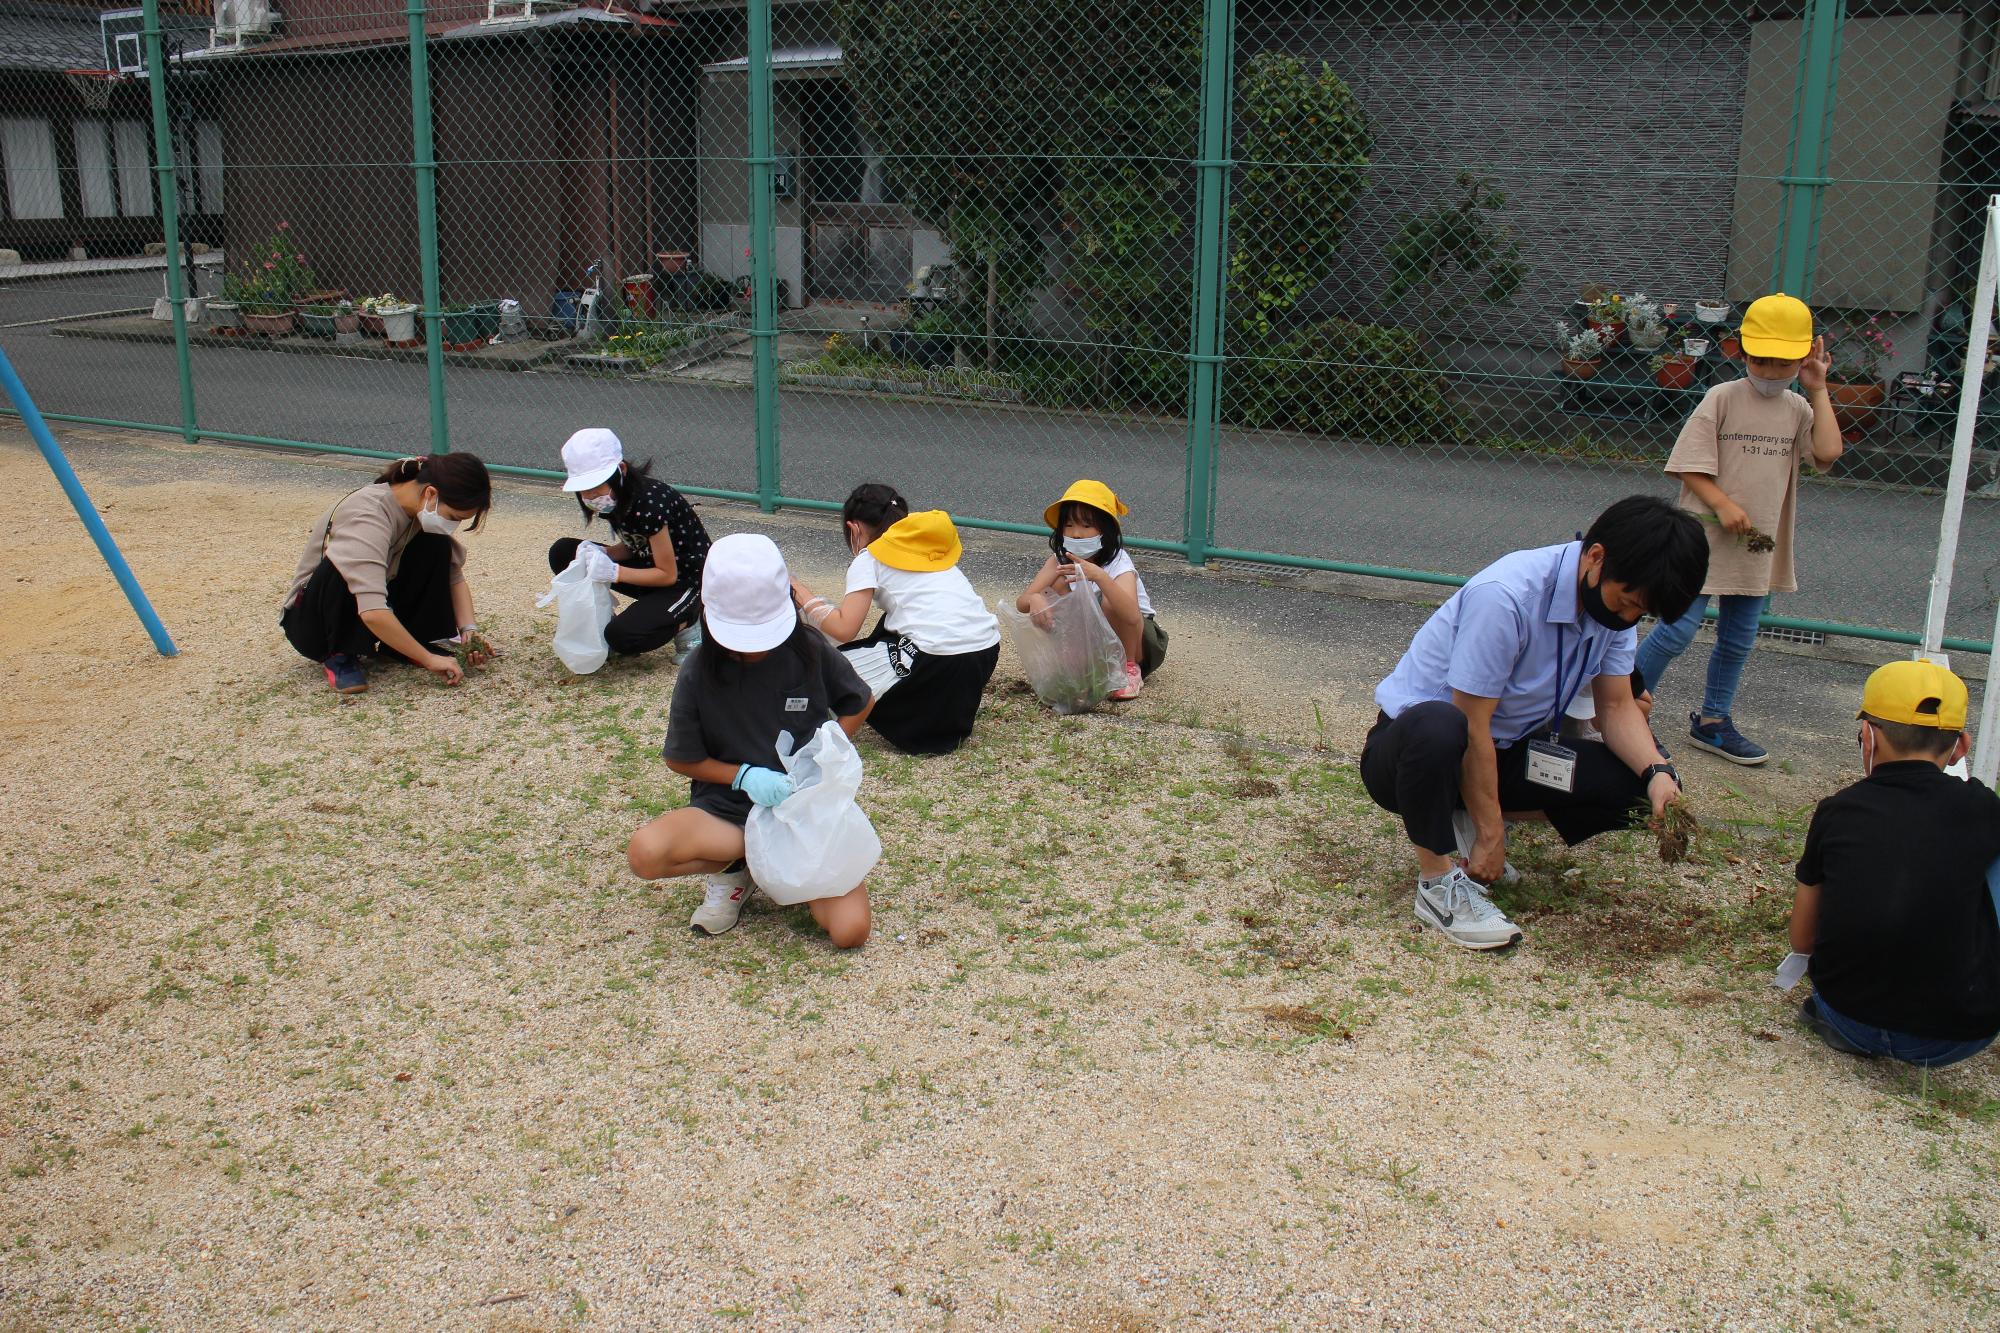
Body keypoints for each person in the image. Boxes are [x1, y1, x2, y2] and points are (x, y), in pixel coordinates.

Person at [1360, 495, 1708, 950]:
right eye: (1626, 603)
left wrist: (1659, 772)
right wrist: (1492, 834)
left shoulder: (1617, 605)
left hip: (1508, 748)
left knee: (1633, 788)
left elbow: (1618, 707)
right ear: (1597, 557)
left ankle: (1462, 810)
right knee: (1440, 725)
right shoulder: (1506, 596)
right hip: (1416, 752)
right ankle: (1437, 883)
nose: (1627, 619)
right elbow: (1472, 725)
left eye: (1640, 614)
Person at [626, 533, 875, 947]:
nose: (754, 650)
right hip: (729, 812)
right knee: (646, 852)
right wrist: (744, 776)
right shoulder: (699, 669)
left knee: (850, 932)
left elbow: (859, 701)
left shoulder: (808, 649)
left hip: (804, 811)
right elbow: (682, 757)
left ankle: (777, 863)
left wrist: (825, 755)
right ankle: (737, 868)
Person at [1633, 293, 1844, 765]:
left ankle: (1713, 722)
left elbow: (1827, 454)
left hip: (1755, 545)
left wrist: (1818, 387)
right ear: (1742, 351)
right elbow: (1687, 465)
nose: (1770, 372)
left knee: (1738, 639)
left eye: (1783, 362)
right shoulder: (1722, 397)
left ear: (1806, 355)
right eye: (1761, 360)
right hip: (1701, 538)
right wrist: (1722, 503)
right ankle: (1625, 708)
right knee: (1675, 631)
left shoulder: (1798, 408)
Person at [1788, 660, 2000, 1067]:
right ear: (1961, 746)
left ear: (1867, 736)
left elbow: (1802, 941)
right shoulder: (1982, 807)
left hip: (1848, 1017)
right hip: (1960, 1035)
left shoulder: (1837, 810)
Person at [787, 484, 1001, 754]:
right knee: (892, 627)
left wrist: (801, 593)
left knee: (827, 670)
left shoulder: (870, 558)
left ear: (854, 529)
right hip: (984, 652)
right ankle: (943, 717)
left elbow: (844, 629)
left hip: (937, 660)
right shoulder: (929, 546)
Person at [281, 453, 493, 694]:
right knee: (347, 563)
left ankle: (402, 645)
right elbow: (372, 610)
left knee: (438, 544)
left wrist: (469, 630)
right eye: (454, 517)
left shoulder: (417, 512)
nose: (452, 525)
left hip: (367, 606)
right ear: (431, 493)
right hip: (314, 623)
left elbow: (453, 576)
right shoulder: (368, 515)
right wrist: (428, 659)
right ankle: (339, 652)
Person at [548, 427, 711, 660]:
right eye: (584, 490)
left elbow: (667, 575)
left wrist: (614, 571)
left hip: (686, 581)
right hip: (652, 566)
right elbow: (637, 544)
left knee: (622, 637)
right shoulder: (617, 497)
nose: (592, 496)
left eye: (596, 486)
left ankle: (689, 620)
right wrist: (605, 553)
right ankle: (607, 617)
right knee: (564, 552)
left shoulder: (649, 504)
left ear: (621, 470)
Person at [1014, 479, 1168, 700]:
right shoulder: (1059, 561)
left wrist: (1099, 576)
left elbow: (1132, 617)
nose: (1076, 533)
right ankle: (1079, 664)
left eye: (1087, 526)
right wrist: (1036, 599)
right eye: (1069, 525)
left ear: (1105, 530)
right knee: (1055, 587)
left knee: (1110, 600)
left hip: (1140, 641)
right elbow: (1022, 602)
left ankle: (1128, 670)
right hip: (1097, 641)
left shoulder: (1118, 562)